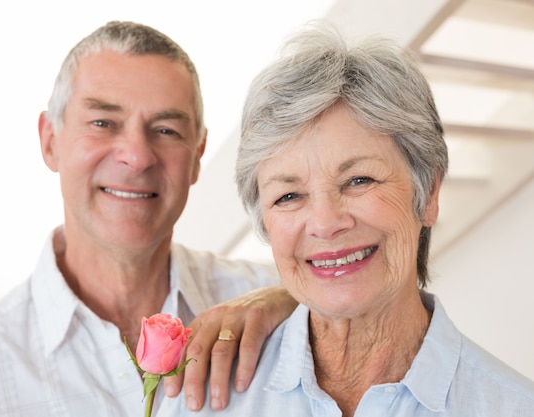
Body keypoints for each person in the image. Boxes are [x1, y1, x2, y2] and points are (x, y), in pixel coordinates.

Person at [0, 21, 298, 416]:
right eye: (103, 123)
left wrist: (291, 299)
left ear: (197, 155)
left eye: (166, 129)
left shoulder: (282, 311)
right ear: (50, 141)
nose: (137, 156)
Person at [159, 24, 534, 417]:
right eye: (289, 195)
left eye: (359, 180)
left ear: (429, 193)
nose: (326, 222)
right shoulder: (196, 400)